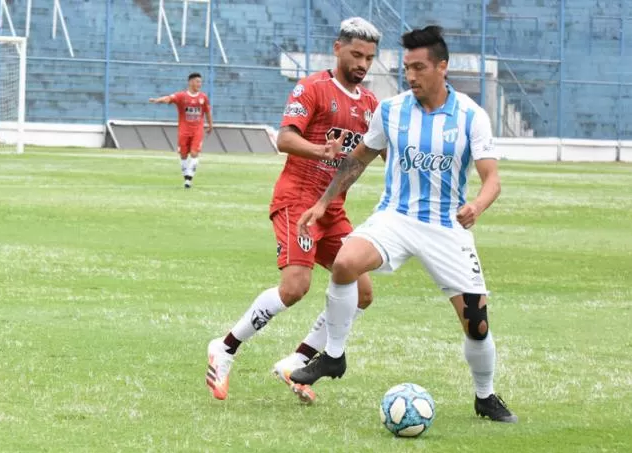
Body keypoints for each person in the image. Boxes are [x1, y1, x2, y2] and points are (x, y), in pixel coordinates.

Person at [288, 25, 518, 423]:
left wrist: (477, 206)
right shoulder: (391, 111)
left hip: (446, 227)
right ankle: (335, 357)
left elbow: (492, 179)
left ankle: (485, 396)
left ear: (442, 67)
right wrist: (324, 203)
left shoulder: (469, 116)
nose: (411, 76)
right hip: (395, 216)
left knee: (477, 325)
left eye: (419, 68)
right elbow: (357, 159)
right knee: (345, 263)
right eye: (407, 68)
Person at [204, 17, 381, 404]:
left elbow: (377, 152)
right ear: (337, 49)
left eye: (369, 57)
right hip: (297, 200)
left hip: (332, 208)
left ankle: (296, 361)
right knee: (295, 288)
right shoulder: (313, 88)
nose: (363, 64)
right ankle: (226, 347)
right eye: (356, 54)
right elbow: (285, 138)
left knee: (362, 292)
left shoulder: (371, 105)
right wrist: (321, 150)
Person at [149, 73, 213, 188]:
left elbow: (207, 112)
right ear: (190, 82)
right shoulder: (181, 96)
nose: (200, 84)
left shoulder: (203, 97)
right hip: (184, 130)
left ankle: (189, 179)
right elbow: (169, 98)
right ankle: (186, 176)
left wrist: (210, 125)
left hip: (197, 130)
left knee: (194, 153)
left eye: (200, 82)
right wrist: (158, 100)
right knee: (183, 155)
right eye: (197, 81)